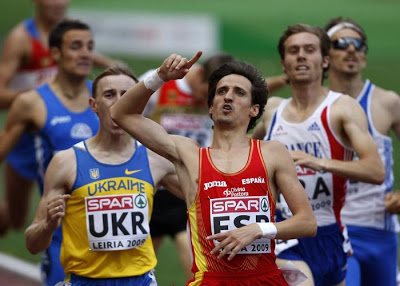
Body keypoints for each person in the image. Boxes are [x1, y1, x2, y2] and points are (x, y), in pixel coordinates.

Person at [109, 51, 317, 285]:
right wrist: (159, 77)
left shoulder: (271, 153)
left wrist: (258, 229)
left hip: (264, 279)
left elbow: (307, 223)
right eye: (221, 91)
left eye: (239, 93)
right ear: (210, 107)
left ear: (254, 110)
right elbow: (119, 113)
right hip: (211, 280)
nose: (228, 97)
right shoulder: (189, 155)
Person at [251, 23, 385, 286]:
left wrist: (320, 163)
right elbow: (239, 152)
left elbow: (375, 171)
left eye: (309, 49)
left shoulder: (341, 108)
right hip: (284, 235)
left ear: (324, 61)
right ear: (284, 63)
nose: (301, 55)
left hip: (330, 234)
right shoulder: (273, 111)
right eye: (293, 50)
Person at [25, 64, 183, 286]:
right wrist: (48, 224)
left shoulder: (156, 160)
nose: (118, 102)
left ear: (138, 102)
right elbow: (33, 244)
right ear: (94, 105)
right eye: (109, 95)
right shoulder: (66, 162)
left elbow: (205, 197)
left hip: (141, 281)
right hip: (84, 281)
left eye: (126, 95)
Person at [0, 0, 118, 235]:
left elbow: (93, 57)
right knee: (15, 220)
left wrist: (115, 69)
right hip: (24, 138)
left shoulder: (72, 35)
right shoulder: (21, 39)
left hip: (59, 134)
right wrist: (42, 98)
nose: (59, 3)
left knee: (73, 203)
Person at [0, 19, 101, 285]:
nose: (85, 53)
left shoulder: (106, 97)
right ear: (55, 53)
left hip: (110, 230)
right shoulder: (31, 103)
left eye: (90, 46)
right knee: (14, 218)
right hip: (60, 234)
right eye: (76, 46)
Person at [141, 52, 234, 279]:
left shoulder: (221, 98)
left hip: (191, 183)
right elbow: (127, 116)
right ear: (200, 73)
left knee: (196, 259)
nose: (209, 101)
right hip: (154, 183)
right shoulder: (161, 85)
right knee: (140, 262)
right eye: (208, 93)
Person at [324, 17, 400, 286]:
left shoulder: (387, 102)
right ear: (325, 55)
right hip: (332, 229)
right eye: (341, 43)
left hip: (379, 229)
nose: (351, 50)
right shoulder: (312, 107)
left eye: (359, 44)